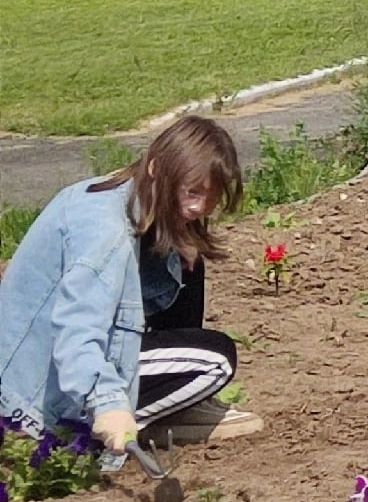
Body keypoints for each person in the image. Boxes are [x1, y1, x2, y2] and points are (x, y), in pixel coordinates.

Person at [0, 115, 263, 463]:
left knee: (186, 256)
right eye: (193, 191)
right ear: (157, 168)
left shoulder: (116, 194)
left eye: (210, 197)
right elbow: (77, 330)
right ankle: (148, 416)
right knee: (215, 358)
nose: (200, 207)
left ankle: (175, 408)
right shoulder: (105, 232)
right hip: (35, 399)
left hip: (37, 367)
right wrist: (109, 404)